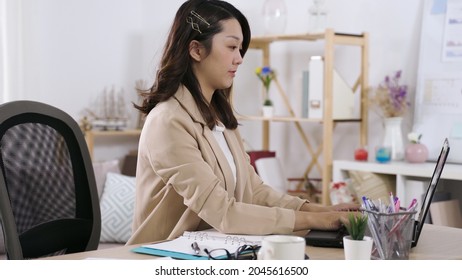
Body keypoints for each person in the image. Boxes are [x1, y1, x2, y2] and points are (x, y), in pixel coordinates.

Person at [127, 0, 359, 245]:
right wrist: (316, 221)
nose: (239, 59)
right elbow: (224, 212)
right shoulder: (168, 122)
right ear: (196, 50)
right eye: (231, 47)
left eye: (241, 50)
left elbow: (254, 192)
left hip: (211, 251)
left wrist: (323, 211)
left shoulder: (221, 119)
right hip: (161, 258)